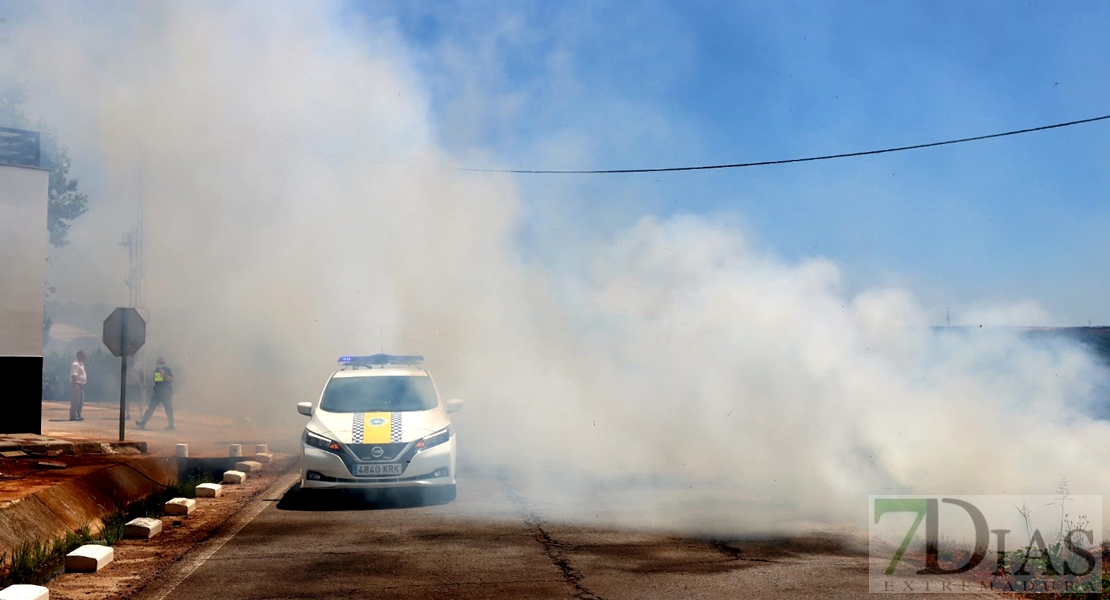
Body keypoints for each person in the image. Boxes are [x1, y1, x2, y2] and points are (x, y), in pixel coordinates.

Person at [136, 357, 174, 430]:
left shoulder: (168, 370)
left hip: (166, 393)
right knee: (151, 408)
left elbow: (172, 380)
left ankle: (171, 425)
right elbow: (156, 381)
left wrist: (164, 375)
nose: (161, 365)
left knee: (168, 409)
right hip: (157, 393)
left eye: (162, 363)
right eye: (160, 363)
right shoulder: (156, 370)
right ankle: (143, 423)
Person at [69, 350, 87, 421]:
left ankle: (78, 414)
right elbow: (74, 375)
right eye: (82, 355)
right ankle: (73, 416)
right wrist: (75, 384)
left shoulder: (81, 364)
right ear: (78, 355)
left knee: (81, 401)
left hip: (81, 385)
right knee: (75, 400)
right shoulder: (75, 364)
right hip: (77, 384)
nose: (84, 357)